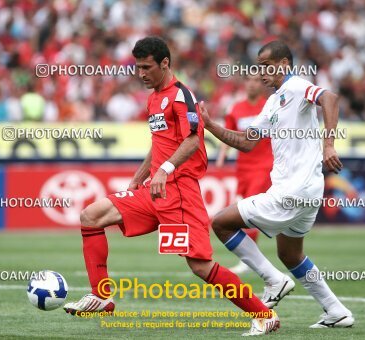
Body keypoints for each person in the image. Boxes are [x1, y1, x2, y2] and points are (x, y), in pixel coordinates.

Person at [64, 37, 280, 336]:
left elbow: (193, 138)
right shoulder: (154, 97)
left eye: (146, 67)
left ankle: (264, 315)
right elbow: (160, 143)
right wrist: (141, 176)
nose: (141, 74)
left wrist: (165, 170)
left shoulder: (181, 96)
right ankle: (101, 295)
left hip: (179, 193)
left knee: (200, 267)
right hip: (154, 190)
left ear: (165, 63)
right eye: (137, 67)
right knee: (91, 216)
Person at [200, 40, 354, 328]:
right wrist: (210, 126)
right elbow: (246, 143)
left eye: (266, 66)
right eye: (258, 68)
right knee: (290, 253)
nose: (261, 74)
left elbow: (330, 98)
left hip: (293, 190)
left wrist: (329, 144)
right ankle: (336, 311)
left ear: (284, 64)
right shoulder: (273, 102)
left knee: (221, 223)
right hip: (306, 191)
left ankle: (274, 280)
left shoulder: (296, 86)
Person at [216, 74, 274, 275]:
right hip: (243, 168)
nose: (252, 84)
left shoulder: (270, 106)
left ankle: (249, 261)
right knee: (245, 211)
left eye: (257, 80)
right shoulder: (236, 108)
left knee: (249, 211)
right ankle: (253, 258)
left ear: (263, 84)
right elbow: (228, 133)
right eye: (249, 80)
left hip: (264, 166)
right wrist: (223, 155)